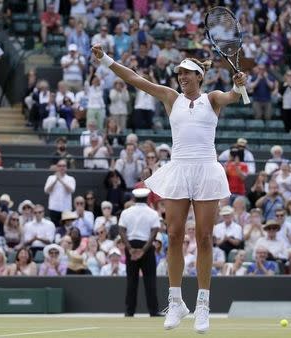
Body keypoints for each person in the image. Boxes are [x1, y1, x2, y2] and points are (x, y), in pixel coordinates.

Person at [92, 45, 246, 333]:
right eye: (179, 73)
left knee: (203, 238)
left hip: (206, 170)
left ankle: (203, 306)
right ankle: (176, 302)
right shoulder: (170, 97)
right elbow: (136, 79)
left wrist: (238, 87)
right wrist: (105, 59)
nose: (182, 77)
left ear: (199, 77)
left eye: (187, 73)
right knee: (174, 235)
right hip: (179, 169)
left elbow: (231, 97)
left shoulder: (212, 98)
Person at [118, 188, 160, 317]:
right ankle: (153, 311)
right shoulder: (152, 213)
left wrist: (130, 249)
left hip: (131, 245)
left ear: (134, 198)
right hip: (145, 246)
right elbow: (154, 232)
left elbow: (121, 230)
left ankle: (129, 311)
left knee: (131, 281)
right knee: (150, 280)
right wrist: (144, 250)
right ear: (147, 198)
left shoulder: (126, 212)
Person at [44, 159, 76, 227]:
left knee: (66, 228)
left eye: (64, 166)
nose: (62, 167)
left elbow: (71, 190)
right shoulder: (51, 178)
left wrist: (61, 180)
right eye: (60, 166)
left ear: (66, 168)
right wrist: (56, 180)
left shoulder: (71, 179)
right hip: (54, 209)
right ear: (57, 167)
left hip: (66, 209)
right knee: (54, 228)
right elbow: (47, 190)